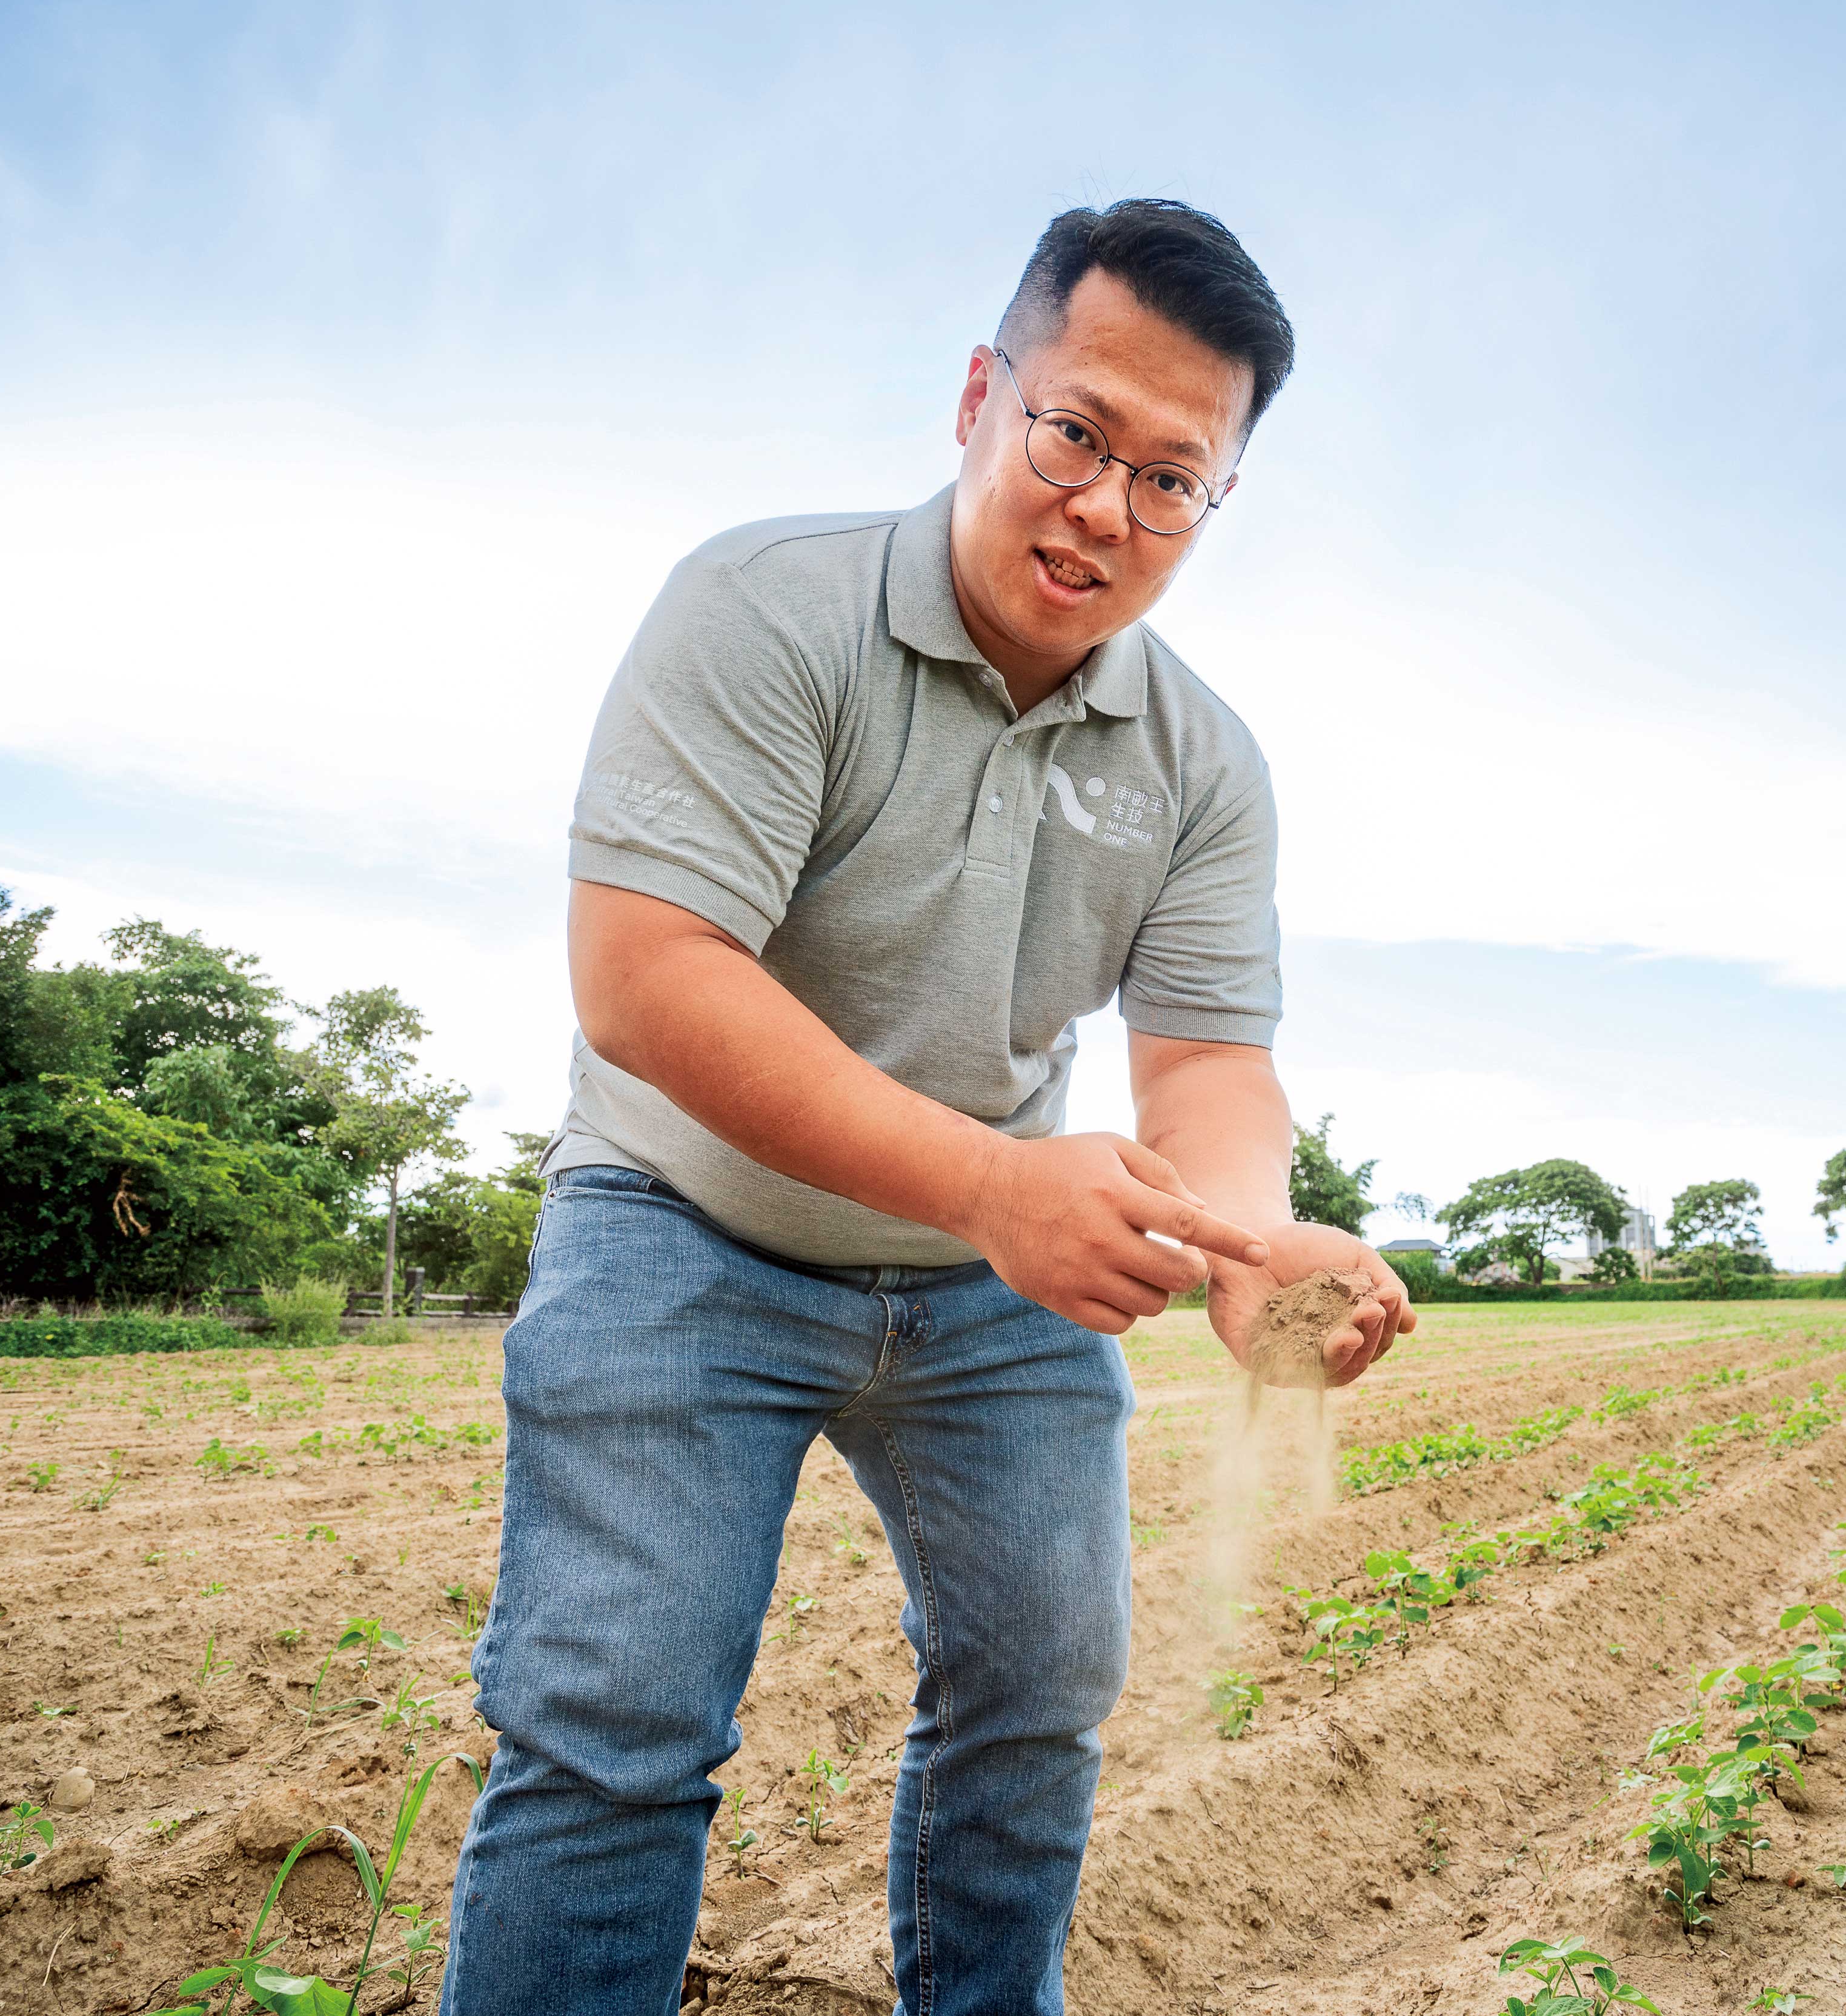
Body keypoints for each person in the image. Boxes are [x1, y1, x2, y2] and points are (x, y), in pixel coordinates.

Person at [439, 198, 1415, 2016]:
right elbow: (649, 973)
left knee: (1043, 1694)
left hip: (995, 1283)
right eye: (1077, 433)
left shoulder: (1205, 761)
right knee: (618, 1723)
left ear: (1216, 504)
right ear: (983, 393)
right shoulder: (765, 609)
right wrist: (991, 1185)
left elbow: (1203, 1061)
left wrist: (1245, 1240)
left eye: (1175, 479)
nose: (1109, 508)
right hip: (683, 1224)